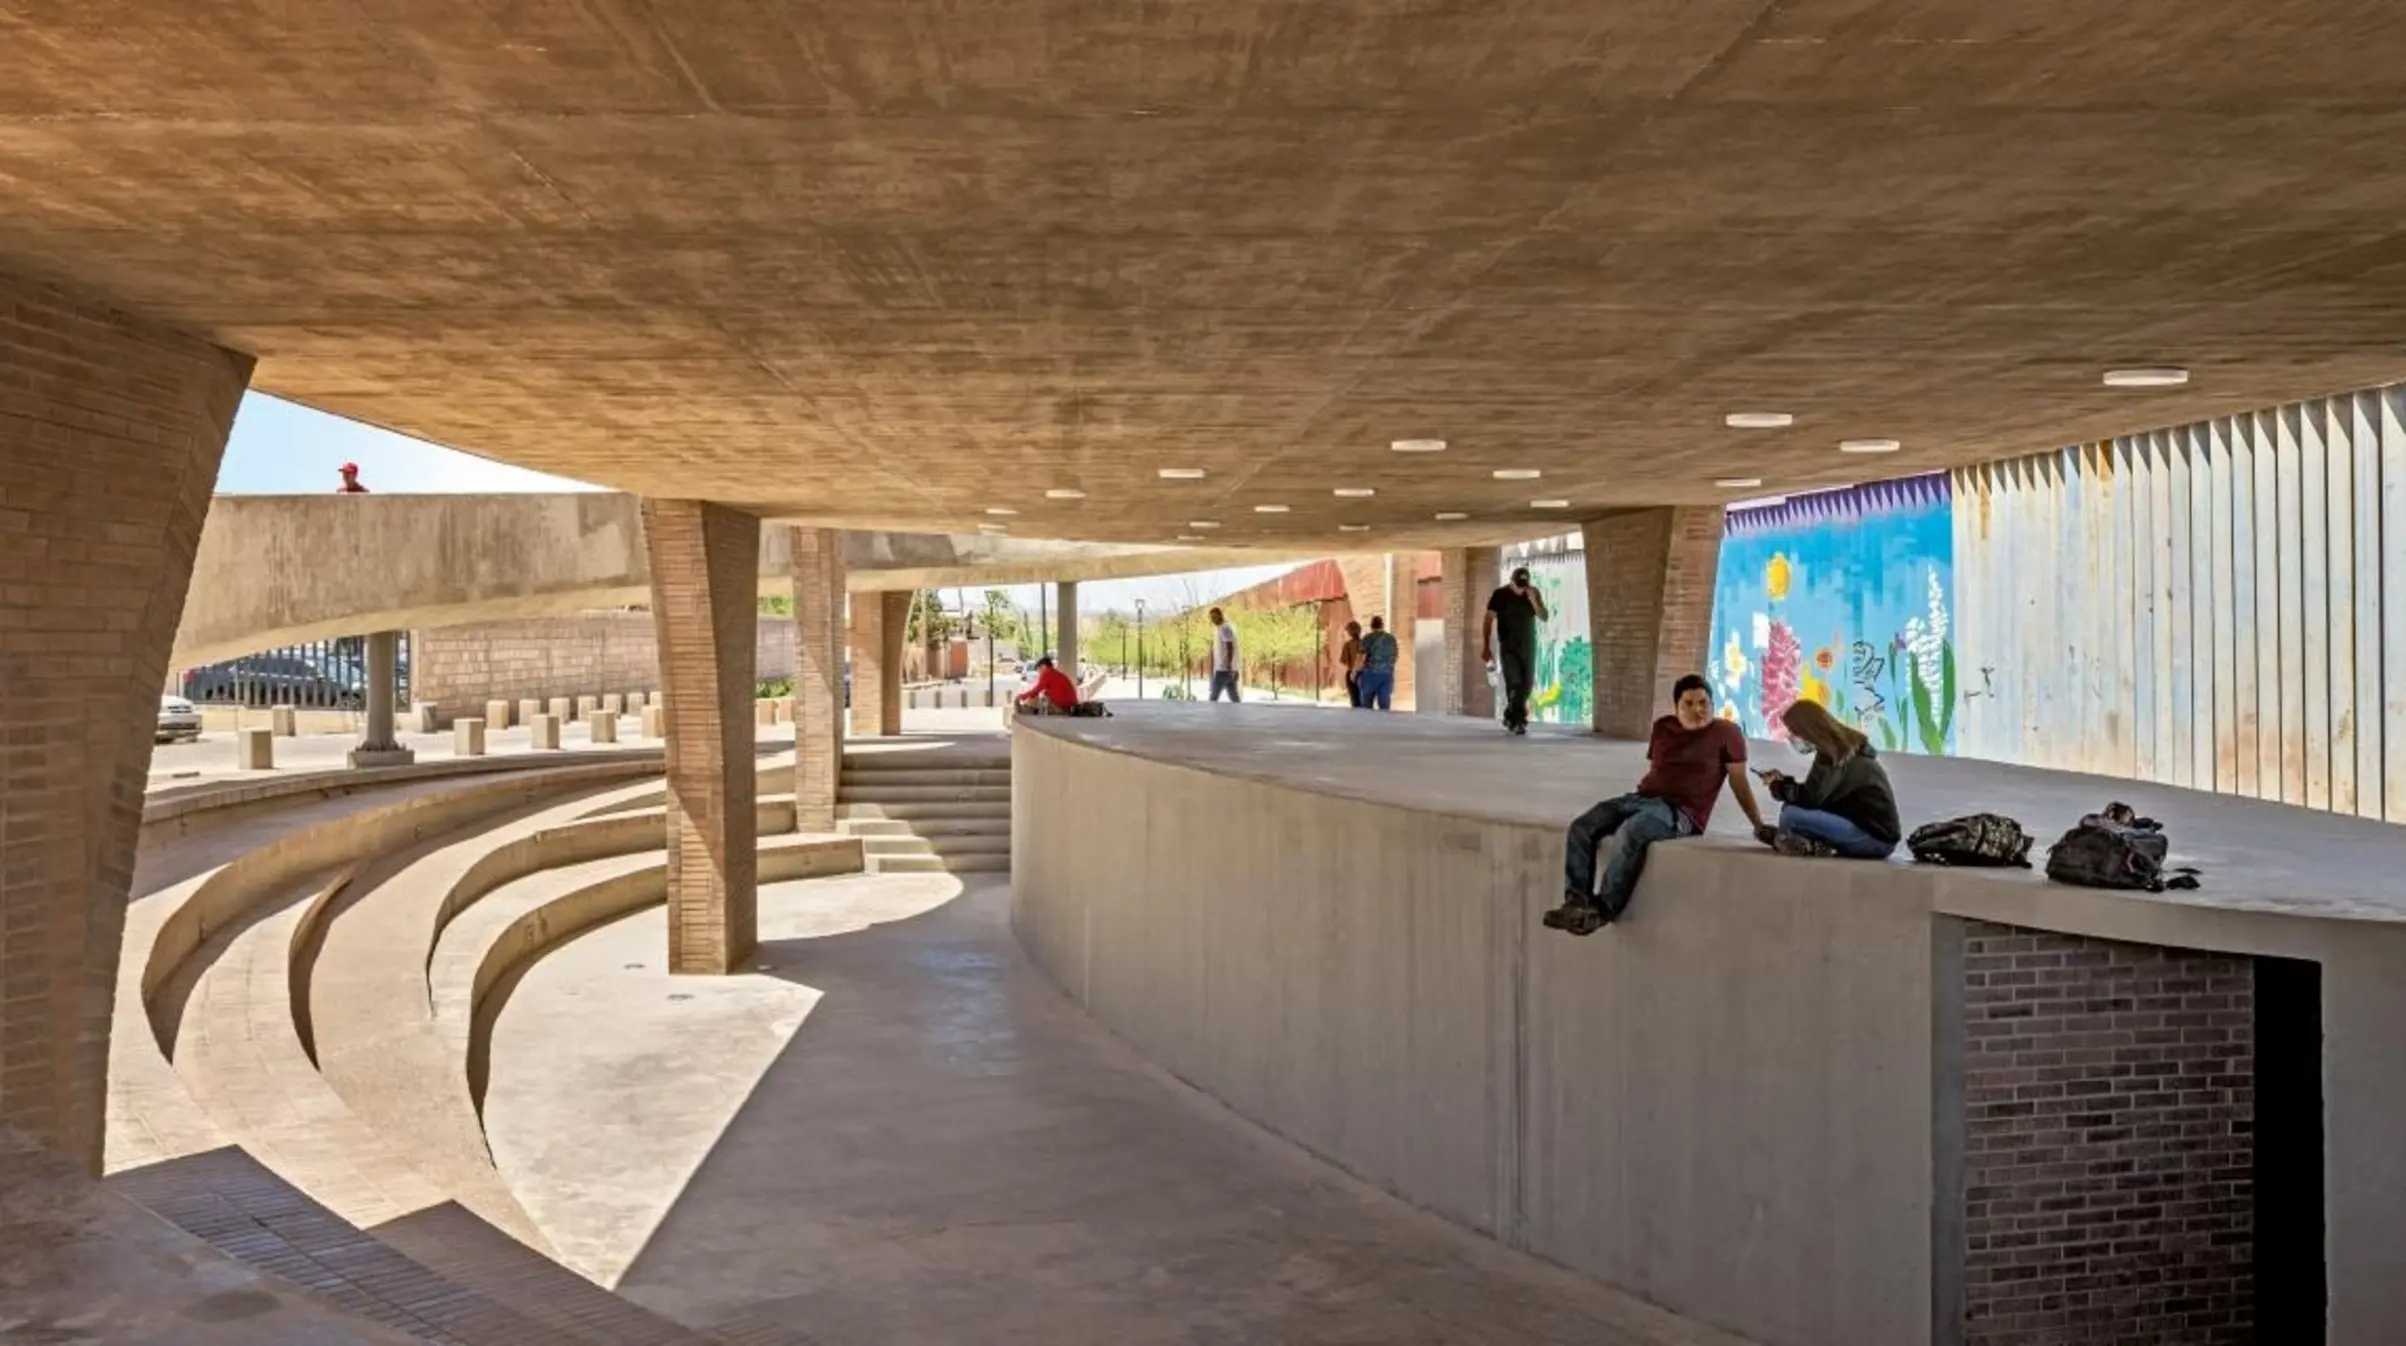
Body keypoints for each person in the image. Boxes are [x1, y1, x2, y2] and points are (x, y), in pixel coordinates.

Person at [1544, 673, 1770, 935]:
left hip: (1682, 811)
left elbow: (1739, 781)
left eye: (1703, 703)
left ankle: (1603, 909)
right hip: (1642, 799)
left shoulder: (1727, 733)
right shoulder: (1663, 727)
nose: (1697, 710)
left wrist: (1758, 824)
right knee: (1583, 825)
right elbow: (1658, 770)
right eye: (1688, 703)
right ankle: (1577, 903)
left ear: (1712, 704)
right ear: (1676, 706)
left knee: (1631, 831)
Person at [1756, 700, 1901, 859]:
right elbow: (1818, 792)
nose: (1791, 738)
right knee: (1790, 809)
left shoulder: (1835, 755)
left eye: (1794, 732)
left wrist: (1778, 786)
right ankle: (1800, 842)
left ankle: (1789, 841)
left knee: (1791, 815)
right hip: (1872, 833)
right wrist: (1783, 783)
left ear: (1808, 730)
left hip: (1873, 839)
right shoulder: (1844, 749)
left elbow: (1812, 799)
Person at [1481, 566, 1549, 735]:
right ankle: (1518, 721)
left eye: (1524, 586)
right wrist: (1485, 645)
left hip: (1528, 646)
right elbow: (1488, 620)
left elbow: (1544, 616)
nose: (1521, 589)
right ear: (1511, 582)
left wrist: (1533, 600)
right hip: (1508, 645)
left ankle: (1510, 716)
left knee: (1527, 685)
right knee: (1515, 683)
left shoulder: (1532, 593)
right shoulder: (1500, 595)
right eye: (1518, 586)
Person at [1355, 615, 1399, 710]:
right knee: (1384, 702)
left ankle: (1368, 723)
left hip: (1371, 673)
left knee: (1366, 702)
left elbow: (1361, 656)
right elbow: (1395, 655)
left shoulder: (1368, 638)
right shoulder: (1391, 639)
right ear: (1382, 625)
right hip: (1387, 673)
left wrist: (1356, 671)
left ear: (1372, 626)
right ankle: (1384, 722)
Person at [1015, 654, 1080, 714]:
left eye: (1039, 670)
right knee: (1043, 696)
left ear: (1043, 666)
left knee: (1033, 700)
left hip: (1061, 706)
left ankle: (1024, 712)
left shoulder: (1047, 674)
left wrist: (1022, 696)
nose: (1039, 673)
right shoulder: (1056, 674)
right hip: (1070, 706)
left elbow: (1036, 690)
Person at [1207, 607, 1241, 702]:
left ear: (1220, 616)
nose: (1213, 620)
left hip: (1223, 669)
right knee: (1234, 698)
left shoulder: (1224, 628)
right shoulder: (1222, 628)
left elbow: (1229, 647)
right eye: (1211, 618)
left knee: (1213, 697)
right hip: (1229, 669)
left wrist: (1228, 666)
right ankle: (1237, 715)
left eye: (1215, 617)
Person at [1338, 619, 1366, 707]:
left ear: (1349, 632)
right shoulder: (1365, 643)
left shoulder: (1348, 645)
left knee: (1354, 700)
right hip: (1364, 673)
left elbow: (1343, 660)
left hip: (1351, 673)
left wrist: (1352, 664)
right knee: (1364, 699)